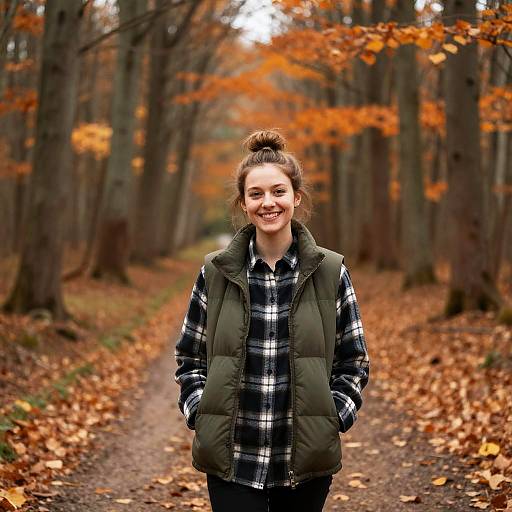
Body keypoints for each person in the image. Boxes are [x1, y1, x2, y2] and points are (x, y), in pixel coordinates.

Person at [174, 130, 370, 512]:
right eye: (256, 194)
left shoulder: (330, 271)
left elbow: (354, 360)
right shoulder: (215, 272)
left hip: (303, 460)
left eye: (278, 192)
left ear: (296, 197)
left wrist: (333, 417)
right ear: (244, 203)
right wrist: (199, 411)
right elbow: (189, 357)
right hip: (232, 457)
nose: (269, 203)